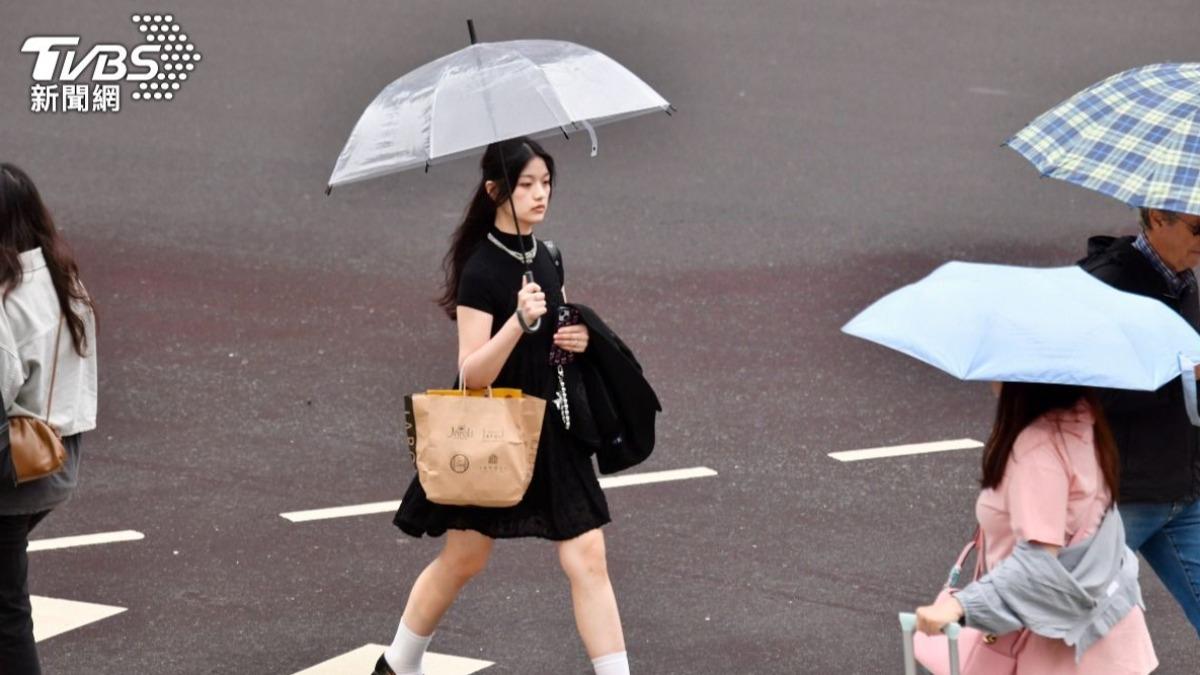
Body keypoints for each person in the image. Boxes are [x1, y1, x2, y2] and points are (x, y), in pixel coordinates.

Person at [377, 138, 630, 675]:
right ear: (495, 191)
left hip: (552, 427)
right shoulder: (481, 271)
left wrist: (574, 336)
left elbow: (551, 339)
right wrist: (517, 322)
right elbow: (471, 374)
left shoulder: (547, 256)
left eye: (546, 183)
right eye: (527, 185)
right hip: (492, 428)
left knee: (587, 556)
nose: (542, 195)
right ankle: (398, 664)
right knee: (466, 557)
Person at [915, 383, 1156, 674]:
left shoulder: (1039, 446)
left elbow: (1037, 564)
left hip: (1061, 651)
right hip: (1107, 637)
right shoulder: (1085, 425)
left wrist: (961, 607)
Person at [1079, 208, 1200, 635]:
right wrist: (1182, 370)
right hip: (1120, 498)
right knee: (1071, 630)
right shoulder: (1107, 285)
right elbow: (1088, 392)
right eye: (1197, 228)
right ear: (1155, 217)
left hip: (1182, 491)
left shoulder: (1181, 279)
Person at [0, 163, 98, 674]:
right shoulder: (64, 280)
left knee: (7, 614)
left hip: (10, 472)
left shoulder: (5, 297)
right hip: (57, 460)